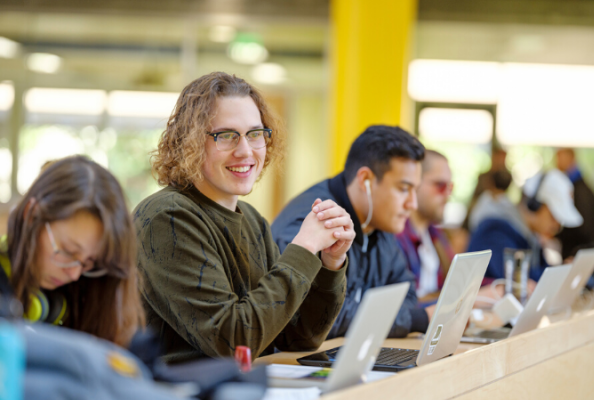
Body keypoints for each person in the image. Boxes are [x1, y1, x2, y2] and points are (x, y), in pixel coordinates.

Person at [134, 72, 353, 363]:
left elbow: (298, 336)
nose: (245, 151)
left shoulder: (251, 219)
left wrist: (329, 263)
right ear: (191, 143)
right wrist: (303, 249)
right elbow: (235, 344)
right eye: (225, 136)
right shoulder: (167, 218)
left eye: (255, 134)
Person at [272, 125, 430, 339]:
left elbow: (406, 294)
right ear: (365, 180)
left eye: (415, 191)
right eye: (403, 189)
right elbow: (316, 319)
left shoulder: (377, 222)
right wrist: (414, 320)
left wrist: (365, 314)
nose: (412, 204)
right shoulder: (313, 220)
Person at [1, 155, 144, 347]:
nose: (75, 273)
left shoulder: (86, 286)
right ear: (31, 215)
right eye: (68, 252)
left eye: (90, 262)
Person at [467, 169, 583, 281]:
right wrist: (561, 274)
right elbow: (520, 280)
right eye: (554, 217)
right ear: (534, 205)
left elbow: (540, 270)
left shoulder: (529, 236)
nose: (557, 226)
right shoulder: (495, 231)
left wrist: (563, 270)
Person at [396, 150, 454, 302]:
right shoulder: (397, 235)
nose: (447, 194)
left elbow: (456, 282)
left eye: (450, 187)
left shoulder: (435, 234)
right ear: (415, 183)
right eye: (440, 185)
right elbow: (404, 306)